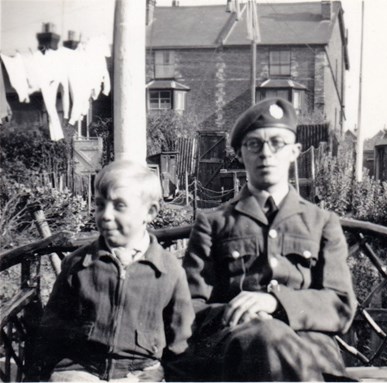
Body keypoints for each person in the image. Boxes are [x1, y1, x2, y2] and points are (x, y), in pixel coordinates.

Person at [182, 98, 357, 381]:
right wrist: (237, 313)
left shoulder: (321, 223)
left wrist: (275, 303)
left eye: (277, 143)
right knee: (262, 335)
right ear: (240, 153)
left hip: (309, 354)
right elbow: (190, 305)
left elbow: (341, 306)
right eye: (254, 144)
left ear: (295, 152)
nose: (266, 153)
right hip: (235, 352)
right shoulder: (214, 223)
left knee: (270, 336)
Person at [36, 159, 195, 382]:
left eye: (119, 205)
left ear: (150, 212)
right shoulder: (78, 264)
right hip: (81, 369)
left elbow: (181, 340)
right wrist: (51, 371)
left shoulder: (168, 271)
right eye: (100, 204)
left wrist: (165, 373)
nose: (106, 215)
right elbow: (52, 328)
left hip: (140, 372)